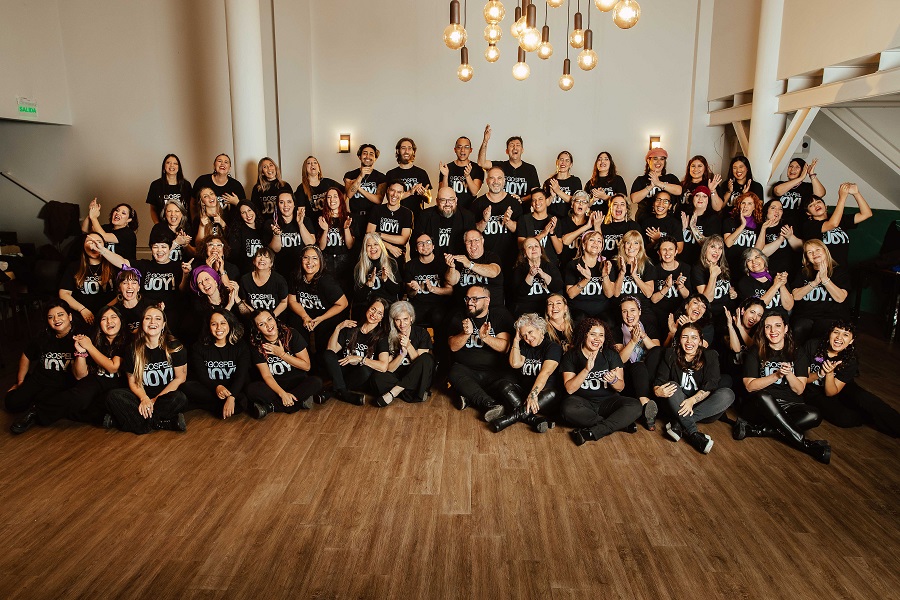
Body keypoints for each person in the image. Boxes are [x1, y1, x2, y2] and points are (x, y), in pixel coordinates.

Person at [736, 309, 831, 464]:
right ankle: (806, 445)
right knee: (763, 395)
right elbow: (750, 386)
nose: (773, 331)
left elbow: (800, 389)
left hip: (789, 405)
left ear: (786, 328)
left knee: (814, 415)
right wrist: (776, 375)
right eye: (768, 327)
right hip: (760, 406)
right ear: (763, 330)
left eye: (777, 325)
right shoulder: (756, 351)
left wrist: (789, 374)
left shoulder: (797, 351)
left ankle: (758, 430)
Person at [803, 320, 900, 436]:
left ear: (851, 341)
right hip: (814, 391)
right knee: (844, 418)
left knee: (868, 400)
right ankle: (869, 417)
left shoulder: (850, 359)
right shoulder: (812, 345)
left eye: (846, 334)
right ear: (830, 334)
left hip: (842, 387)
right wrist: (821, 372)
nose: (839, 337)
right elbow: (806, 380)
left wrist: (830, 374)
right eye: (836, 332)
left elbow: (834, 390)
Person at [105, 305, 188, 434]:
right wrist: (144, 399)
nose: (152, 322)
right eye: (148, 318)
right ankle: (161, 423)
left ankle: (129, 423)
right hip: (140, 396)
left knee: (180, 398)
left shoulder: (175, 347)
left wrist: (154, 400)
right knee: (113, 396)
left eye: (157, 319)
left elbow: (180, 378)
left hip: (164, 397)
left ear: (163, 324)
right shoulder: (132, 350)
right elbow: (133, 381)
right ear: (142, 323)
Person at [653, 323, 735, 454]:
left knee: (728, 394)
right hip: (677, 404)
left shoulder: (710, 356)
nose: (689, 341)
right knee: (672, 386)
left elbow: (711, 384)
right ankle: (693, 433)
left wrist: (692, 401)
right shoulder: (670, 354)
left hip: (702, 407)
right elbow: (659, 381)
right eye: (685, 337)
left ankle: (679, 424)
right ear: (679, 340)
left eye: (694, 337)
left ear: (701, 341)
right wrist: (658, 390)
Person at [559, 317, 642, 445]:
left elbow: (620, 387)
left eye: (601, 335)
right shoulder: (571, 356)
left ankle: (594, 431)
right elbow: (570, 389)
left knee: (635, 406)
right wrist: (586, 370)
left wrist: (614, 380)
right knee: (567, 409)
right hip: (582, 402)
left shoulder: (611, 354)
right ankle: (619, 424)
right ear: (584, 335)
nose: (597, 339)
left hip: (608, 402)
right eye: (593, 334)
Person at [447, 285, 514, 417]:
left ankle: (469, 396)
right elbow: (453, 346)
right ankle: (489, 403)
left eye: (474, 299)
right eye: (467, 298)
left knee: (510, 380)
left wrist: (486, 337)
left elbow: (505, 348)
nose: (469, 302)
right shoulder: (459, 315)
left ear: (487, 300)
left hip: (494, 372)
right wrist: (465, 334)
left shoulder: (499, 315)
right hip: (467, 371)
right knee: (454, 372)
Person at [5, 303, 78, 422]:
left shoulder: (79, 337)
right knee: (12, 403)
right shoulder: (43, 336)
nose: (56, 319)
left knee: (44, 402)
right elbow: (26, 355)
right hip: (39, 379)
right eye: (51, 317)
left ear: (69, 316)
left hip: (61, 384)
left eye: (60, 315)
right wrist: (20, 381)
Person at [491, 313, 562, 433]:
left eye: (530, 332)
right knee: (504, 384)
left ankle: (508, 419)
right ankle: (534, 420)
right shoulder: (524, 346)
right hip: (525, 396)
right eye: (524, 335)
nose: (528, 338)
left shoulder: (553, 348)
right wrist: (516, 340)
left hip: (543, 396)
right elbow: (515, 363)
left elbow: (544, 373)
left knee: (552, 393)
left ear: (540, 330)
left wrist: (533, 395)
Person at [246, 309, 324, 418]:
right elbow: (267, 376)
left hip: (296, 381)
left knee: (316, 382)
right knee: (251, 389)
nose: (269, 325)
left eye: (269, 319)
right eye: (262, 324)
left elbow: (306, 366)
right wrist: (282, 394)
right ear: (257, 329)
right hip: (275, 385)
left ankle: (271, 407)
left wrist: (282, 354)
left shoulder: (291, 334)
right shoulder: (256, 345)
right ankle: (298, 402)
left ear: (275, 319)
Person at [182, 309, 250, 419]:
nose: (219, 328)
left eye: (223, 323)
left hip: (232, 387)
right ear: (209, 326)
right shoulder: (198, 347)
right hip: (211, 388)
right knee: (187, 387)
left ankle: (203, 405)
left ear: (230, 324)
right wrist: (216, 387)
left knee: (245, 390)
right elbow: (202, 376)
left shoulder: (241, 346)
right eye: (214, 324)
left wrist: (231, 396)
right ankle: (222, 406)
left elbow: (241, 375)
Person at [322, 298, 390, 405]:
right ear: (368, 308)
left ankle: (333, 389)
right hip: (343, 369)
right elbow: (331, 350)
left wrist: (359, 359)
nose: (374, 314)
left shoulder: (381, 337)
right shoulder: (352, 327)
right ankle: (344, 393)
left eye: (379, 313)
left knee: (365, 370)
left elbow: (383, 366)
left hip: (359, 375)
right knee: (327, 354)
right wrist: (338, 328)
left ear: (382, 318)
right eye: (373, 309)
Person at [612, 296, 663, 429]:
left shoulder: (649, 328)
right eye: (625, 311)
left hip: (650, 375)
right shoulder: (616, 331)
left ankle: (648, 405)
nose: (629, 315)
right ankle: (647, 408)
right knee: (638, 366)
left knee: (656, 352)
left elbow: (657, 351)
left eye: (633, 310)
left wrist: (643, 336)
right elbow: (620, 360)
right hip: (630, 376)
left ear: (639, 312)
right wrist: (633, 341)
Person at [371, 301, 435, 406]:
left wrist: (409, 346)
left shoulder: (421, 333)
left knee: (427, 358)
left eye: (405, 319)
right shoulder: (388, 336)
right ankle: (411, 392)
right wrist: (402, 354)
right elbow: (389, 369)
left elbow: (423, 364)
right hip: (399, 376)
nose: (402, 324)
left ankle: (394, 392)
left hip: (418, 377)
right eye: (398, 320)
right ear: (393, 321)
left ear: (411, 318)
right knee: (377, 377)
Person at [288, 245, 349, 350]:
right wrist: (304, 316)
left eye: (314, 258)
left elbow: (343, 303)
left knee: (325, 335)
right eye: (306, 257)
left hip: (325, 315)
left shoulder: (326, 281)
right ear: (301, 260)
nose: (309, 262)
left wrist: (321, 319)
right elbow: (292, 301)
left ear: (320, 261)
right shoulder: (295, 276)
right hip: (306, 314)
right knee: (294, 323)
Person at [790, 239, 850, 344]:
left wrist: (825, 279)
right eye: (810, 252)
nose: (815, 254)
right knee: (799, 328)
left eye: (818, 249)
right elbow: (795, 296)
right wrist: (814, 283)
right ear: (807, 257)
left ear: (825, 251)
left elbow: (840, 298)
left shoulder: (840, 272)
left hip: (830, 316)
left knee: (824, 330)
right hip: (805, 315)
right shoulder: (803, 272)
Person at [800, 182, 872, 268]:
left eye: (818, 202)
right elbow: (833, 224)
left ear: (825, 206)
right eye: (811, 205)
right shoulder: (809, 226)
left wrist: (856, 193)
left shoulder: (839, 219)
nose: (816, 205)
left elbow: (867, 214)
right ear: (808, 213)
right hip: (821, 270)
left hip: (841, 269)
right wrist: (842, 197)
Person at [59, 233, 124, 325]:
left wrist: (105, 311)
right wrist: (82, 310)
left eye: (98, 242)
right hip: (81, 316)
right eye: (90, 242)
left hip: (110, 315)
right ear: (83, 245)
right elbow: (64, 293)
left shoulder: (113, 265)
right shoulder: (73, 267)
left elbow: (122, 293)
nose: (94, 245)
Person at [472, 166, 522, 271]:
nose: (496, 181)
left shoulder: (514, 203)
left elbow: (520, 231)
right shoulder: (477, 204)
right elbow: (473, 232)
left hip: (510, 259)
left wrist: (508, 222)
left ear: (504, 181)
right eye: (492, 178)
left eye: (499, 178)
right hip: (485, 260)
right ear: (487, 181)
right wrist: (484, 221)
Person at [405, 233, 454, 334]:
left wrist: (433, 289)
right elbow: (410, 294)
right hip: (418, 304)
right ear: (416, 248)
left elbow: (450, 291)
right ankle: (413, 348)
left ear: (433, 246)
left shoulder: (443, 263)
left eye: (428, 242)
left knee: (438, 317)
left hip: (439, 304)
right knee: (407, 318)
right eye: (420, 243)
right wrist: (414, 289)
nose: (425, 246)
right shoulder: (409, 266)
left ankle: (439, 349)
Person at [477, 125, 540, 201]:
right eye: (511, 145)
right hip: (501, 209)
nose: (515, 148)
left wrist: (521, 199)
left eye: (518, 145)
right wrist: (485, 141)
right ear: (507, 151)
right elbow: (481, 163)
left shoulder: (530, 169)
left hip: (523, 211)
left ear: (522, 150)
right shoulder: (500, 166)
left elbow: (536, 193)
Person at [692, 235, 737, 339]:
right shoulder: (698, 269)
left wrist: (732, 291)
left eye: (720, 248)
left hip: (727, 311)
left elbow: (727, 285)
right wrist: (713, 276)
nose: (717, 251)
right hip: (711, 316)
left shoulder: (723, 264)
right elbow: (706, 299)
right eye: (713, 247)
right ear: (705, 249)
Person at [445, 229, 505, 306]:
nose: (473, 244)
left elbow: (493, 272)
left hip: (492, 308)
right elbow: (452, 281)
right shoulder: (461, 259)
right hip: (466, 307)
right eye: (469, 241)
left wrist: (470, 264)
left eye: (476, 240)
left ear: (482, 241)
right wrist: (451, 267)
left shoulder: (492, 257)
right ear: (465, 243)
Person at [564, 230, 614, 321]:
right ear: (583, 245)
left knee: (609, 322)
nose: (596, 243)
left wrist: (605, 276)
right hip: (579, 310)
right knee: (580, 319)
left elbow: (610, 294)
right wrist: (586, 279)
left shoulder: (607, 265)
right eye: (592, 240)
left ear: (601, 247)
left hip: (601, 310)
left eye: (599, 241)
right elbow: (571, 294)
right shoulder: (573, 264)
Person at [414, 185, 477, 257]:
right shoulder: (425, 216)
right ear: (437, 201)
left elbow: (472, 244)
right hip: (431, 263)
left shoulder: (467, 217)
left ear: (456, 201)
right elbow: (415, 242)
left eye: (451, 200)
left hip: (457, 263)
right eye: (443, 200)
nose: (447, 204)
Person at [267, 191, 316, 279]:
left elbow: (310, 243)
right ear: (277, 205)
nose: (286, 205)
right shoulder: (271, 223)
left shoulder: (305, 220)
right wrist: (276, 235)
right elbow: (275, 249)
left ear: (294, 204)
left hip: (301, 270)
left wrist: (300, 224)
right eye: (282, 202)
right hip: (280, 271)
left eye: (289, 202)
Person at [352, 232, 404, 314]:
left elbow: (396, 291)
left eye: (376, 244)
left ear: (381, 246)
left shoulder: (391, 263)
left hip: (387, 304)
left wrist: (386, 280)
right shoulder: (359, 267)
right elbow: (358, 297)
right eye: (369, 245)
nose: (372, 248)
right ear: (365, 249)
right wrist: (368, 285)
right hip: (367, 306)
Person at [511, 237, 564, 315]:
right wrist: (530, 275)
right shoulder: (519, 269)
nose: (533, 249)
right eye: (529, 247)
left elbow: (557, 287)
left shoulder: (550, 266)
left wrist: (543, 275)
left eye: (536, 246)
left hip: (548, 309)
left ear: (541, 251)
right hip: (527, 310)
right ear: (524, 254)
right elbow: (519, 294)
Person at [316, 186, 355, 291]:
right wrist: (325, 230)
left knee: (346, 290)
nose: (332, 200)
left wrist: (346, 228)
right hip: (327, 260)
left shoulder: (349, 217)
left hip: (344, 261)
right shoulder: (322, 218)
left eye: (335, 196)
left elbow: (350, 245)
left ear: (340, 199)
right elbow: (321, 247)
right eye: (329, 197)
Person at [630, 147, 683, 221]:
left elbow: (679, 191)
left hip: (667, 220)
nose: (659, 162)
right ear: (648, 161)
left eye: (662, 159)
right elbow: (634, 199)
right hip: (644, 220)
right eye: (655, 158)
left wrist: (658, 183)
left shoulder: (671, 178)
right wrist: (651, 186)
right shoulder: (641, 180)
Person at [81, 198, 138, 264]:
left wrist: (94, 217)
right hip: (106, 268)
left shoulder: (128, 234)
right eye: (117, 210)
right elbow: (85, 229)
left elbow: (104, 236)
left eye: (123, 213)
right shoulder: (106, 228)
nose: (118, 213)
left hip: (123, 270)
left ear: (129, 220)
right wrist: (90, 214)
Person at [755, 199, 802, 277]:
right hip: (768, 274)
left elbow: (802, 247)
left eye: (780, 209)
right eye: (773, 208)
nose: (777, 211)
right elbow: (759, 253)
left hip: (790, 272)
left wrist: (790, 237)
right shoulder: (758, 228)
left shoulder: (788, 225)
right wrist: (780, 239)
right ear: (766, 211)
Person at [385, 137, 432, 215]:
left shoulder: (421, 173)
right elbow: (390, 199)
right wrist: (410, 192)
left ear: (413, 151)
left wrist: (424, 194)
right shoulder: (391, 174)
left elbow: (429, 200)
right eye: (403, 148)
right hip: (396, 216)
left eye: (409, 148)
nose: (406, 151)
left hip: (417, 218)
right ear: (398, 151)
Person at [344, 143, 387, 227]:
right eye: (365, 153)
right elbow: (349, 194)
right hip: (354, 217)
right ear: (359, 156)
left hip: (373, 218)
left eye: (371, 154)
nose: (368, 156)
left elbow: (378, 200)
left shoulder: (381, 177)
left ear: (375, 158)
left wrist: (358, 188)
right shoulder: (350, 175)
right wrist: (360, 176)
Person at [367, 181, 413, 259]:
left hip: (397, 253)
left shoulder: (407, 213)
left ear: (403, 194)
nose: (395, 194)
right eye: (392, 190)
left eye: (399, 192)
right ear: (388, 190)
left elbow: (403, 240)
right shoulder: (377, 209)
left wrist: (379, 234)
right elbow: (369, 233)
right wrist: (389, 246)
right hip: (377, 251)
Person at [552, 190, 600, 266]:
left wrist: (597, 225)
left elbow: (599, 246)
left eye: (584, 202)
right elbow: (565, 241)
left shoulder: (592, 221)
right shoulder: (563, 222)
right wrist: (586, 227)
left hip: (586, 265)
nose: (580, 204)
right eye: (577, 201)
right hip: (565, 265)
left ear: (587, 207)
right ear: (572, 205)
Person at [771, 158, 824, 225]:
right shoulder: (780, 184)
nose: (793, 169)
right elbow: (778, 191)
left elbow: (820, 194)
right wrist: (801, 178)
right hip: (779, 223)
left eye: (797, 167)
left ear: (803, 171)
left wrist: (811, 174)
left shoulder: (807, 187)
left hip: (800, 225)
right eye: (791, 166)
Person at [192, 153, 246, 220]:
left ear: (230, 168)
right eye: (219, 161)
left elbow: (246, 209)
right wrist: (194, 221)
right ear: (214, 166)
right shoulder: (202, 181)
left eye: (226, 162)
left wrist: (236, 202)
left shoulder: (236, 185)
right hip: (206, 225)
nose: (222, 164)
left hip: (229, 226)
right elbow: (192, 204)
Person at [650, 239, 690, 326]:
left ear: (676, 252)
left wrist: (680, 286)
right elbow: (653, 299)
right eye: (664, 249)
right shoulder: (654, 270)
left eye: (670, 249)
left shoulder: (686, 268)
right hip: (658, 315)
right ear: (659, 253)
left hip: (680, 315)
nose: (667, 253)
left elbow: (687, 296)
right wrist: (666, 287)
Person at [239, 247, 289, 317]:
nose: (262, 259)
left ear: (271, 263)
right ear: (254, 261)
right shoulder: (245, 279)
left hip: (274, 318)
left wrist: (271, 317)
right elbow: (243, 302)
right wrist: (257, 317)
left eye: (266, 257)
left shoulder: (279, 280)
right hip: (252, 318)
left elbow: (284, 302)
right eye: (259, 256)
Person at [680, 186, 723, 266]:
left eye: (704, 196)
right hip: (683, 263)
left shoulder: (713, 219)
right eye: (697, 195)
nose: (700, 199)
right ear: (692, 198)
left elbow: (709, 245)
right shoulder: (684, 215)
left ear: (708, 200)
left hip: (700, 265)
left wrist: (693, 227)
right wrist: (682, 230)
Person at [438, 136, 484, 211]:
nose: (462, 150)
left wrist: (467, 176)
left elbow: (474, 192)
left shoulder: (477, 168)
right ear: (455, 150)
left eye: (466, 147)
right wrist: (445, 176)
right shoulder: (446, 168)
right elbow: (442, 193)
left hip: (470, 211)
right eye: (459, 147)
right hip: (450, 211)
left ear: (470, 150)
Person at [723, 192, 763, 277]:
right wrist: (742, 226)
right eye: (743, 203)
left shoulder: (759, 225)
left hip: (748, 268)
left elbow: (758, 249)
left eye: (749, 203)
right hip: (729, 265)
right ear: (739, 205)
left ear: (754, 207)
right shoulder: (729, 221)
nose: (745, 206)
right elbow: (728, 243)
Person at [516, 188, 561, 263]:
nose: (537, 202)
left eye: (540, 199)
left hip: (550, 265)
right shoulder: (524, 219)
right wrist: (543, 233)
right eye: (534, 200)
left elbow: (559, 250)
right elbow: (521, 246)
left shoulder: (554, 220)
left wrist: (552, 232)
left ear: (546, 201)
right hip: (529, 264)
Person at [146, 154, 193, 225]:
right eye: (168, 163)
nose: (172, 165)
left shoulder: (186, 185)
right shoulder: (155, 185)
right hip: (163, 227)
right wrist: (157, 224)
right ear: (164, 167)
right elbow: (153, 209)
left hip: (184, 227)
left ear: (179, 167)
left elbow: (191, 207)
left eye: (175, 163)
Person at [609, 230, 656, 299]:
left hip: (641, 306)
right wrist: (622, 273)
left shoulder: (647, 263)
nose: (631, 246)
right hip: (622, 305)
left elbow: (648, 294)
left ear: (640, 246)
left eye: (636, 243)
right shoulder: (614, 263)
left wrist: (634, 275)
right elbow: (616, 294)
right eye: (628, 243)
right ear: (623, 245)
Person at [251, 157, 293, 221]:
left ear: (275, 168)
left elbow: (292, 207)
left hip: (283, 223)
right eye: (265, 167)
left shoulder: (285, 186)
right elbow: (254, 209)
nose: (269, 168)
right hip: (264, 224)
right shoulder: (257, 188)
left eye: (271, 165)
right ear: (262, 172)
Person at [227, 201, 264, 275]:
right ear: (240, 215)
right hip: (245, 273)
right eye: (243, 212)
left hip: (264, 270)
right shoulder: (236, 231)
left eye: (249, 210)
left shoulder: (264, 228)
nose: (248, 215)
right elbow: (234, 257)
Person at [109, 266, 149, 334]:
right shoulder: (114, 311)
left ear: (138, 287)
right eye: (125, 283)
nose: (130, 286)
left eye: (134, 283)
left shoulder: (149, 306)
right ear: (119, 288)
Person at [601, 194, 640, 260]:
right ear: (610, 208)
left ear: (626, 209)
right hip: (606, 265)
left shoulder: (633, 226)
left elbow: (640, 250)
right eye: (615, 204)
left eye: (622, 204)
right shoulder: (602, 226)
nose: (619, 207)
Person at [543, 151, 582, 217]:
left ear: (571, 164)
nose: (563, 163)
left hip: (569, 219)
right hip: (551, 219)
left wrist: (558, 191)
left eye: (567, 160)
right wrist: (552, 196)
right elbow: (543, 204)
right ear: (557, 162)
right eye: (561, 159)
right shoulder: (549, 182)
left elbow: (576, 201)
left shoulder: (575, 181)